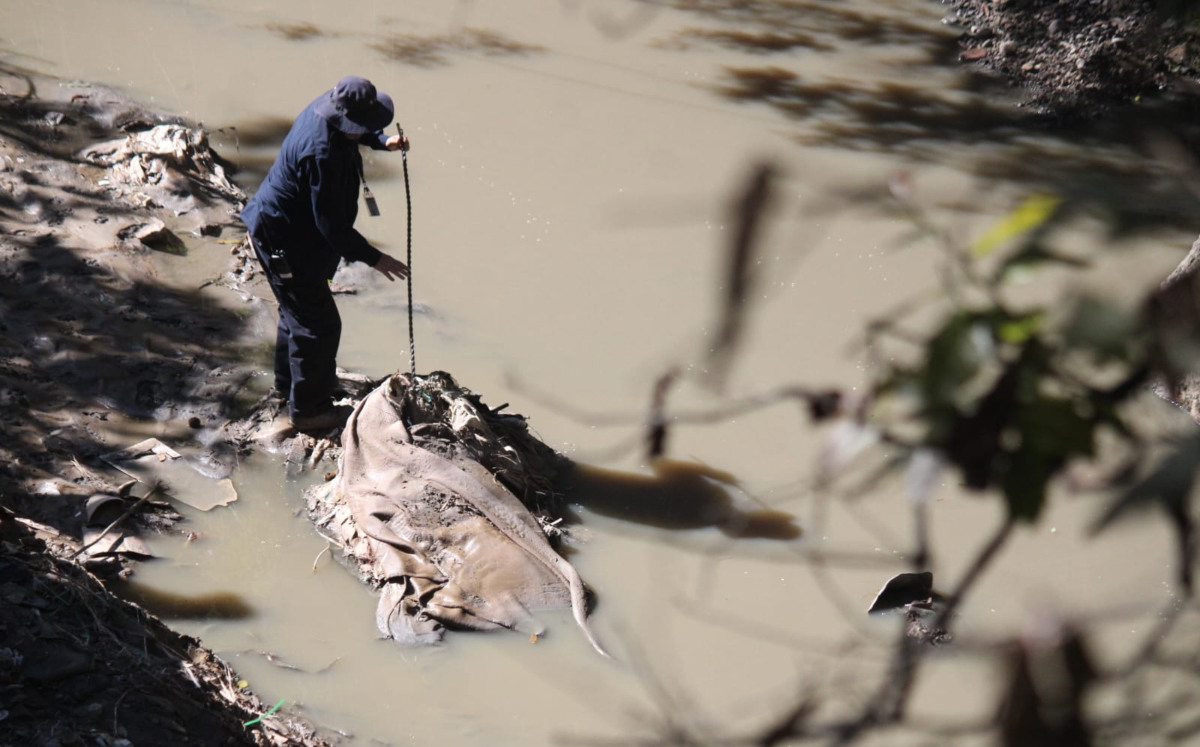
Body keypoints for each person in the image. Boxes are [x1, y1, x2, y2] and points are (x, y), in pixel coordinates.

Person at [242, 76, 411, 432]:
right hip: (283, 239)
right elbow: (332, 228)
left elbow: (357, 130)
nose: (365, 130)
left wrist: (383, 141)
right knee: (319, 326)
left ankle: (289, 388)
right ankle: (309, 411)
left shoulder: (330, 107)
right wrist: (376, 258)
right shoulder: (323, 155)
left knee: (296, 316)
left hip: (291, 231)